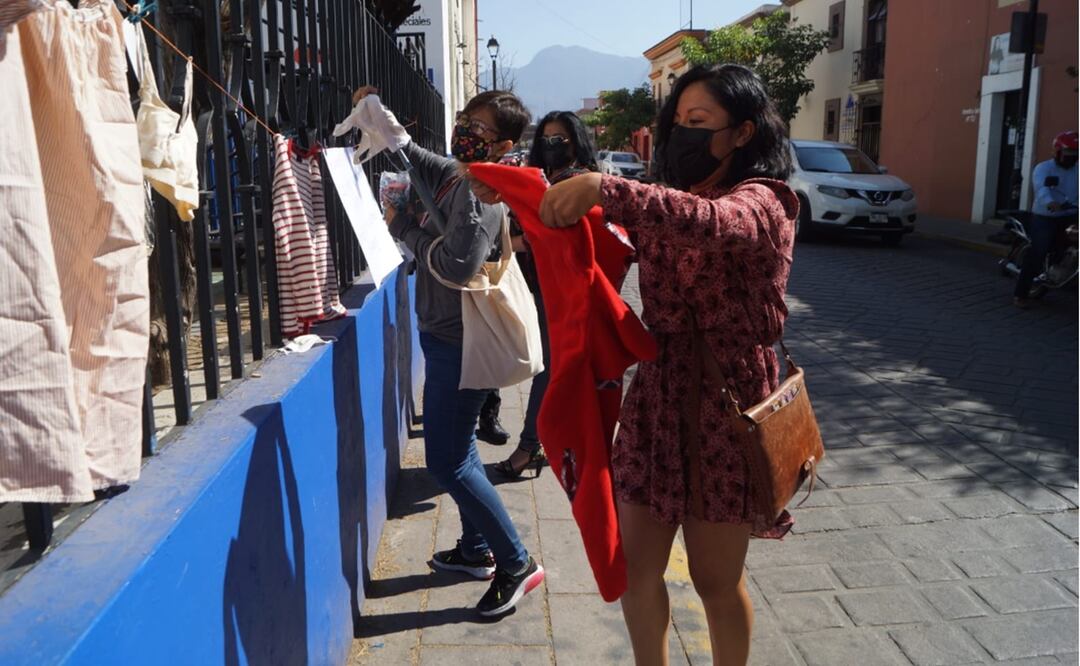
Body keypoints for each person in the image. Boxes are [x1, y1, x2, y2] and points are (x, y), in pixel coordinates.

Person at [537, 64, 798, 665]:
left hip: (728, 412)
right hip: (658, 397)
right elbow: (588, 236)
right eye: (676, 121)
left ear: (742, 132)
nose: (681, 133)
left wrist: (607, 188)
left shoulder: (767, 202)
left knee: (713, 580)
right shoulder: (668, 200)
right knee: (636, 569)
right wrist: (523, 197)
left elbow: (714, 224)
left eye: (698, 122)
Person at [352, 86, 544, 617]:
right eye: (463, 119)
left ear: (503, 145)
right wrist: (385, 119)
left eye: (477, 128)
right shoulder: (465, 172)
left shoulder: (483, 196)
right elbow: (420, 156)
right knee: (459, 452)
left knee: (448, 461)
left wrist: (403, 229)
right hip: (446, 336)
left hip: (461, 345)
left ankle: (516, 561)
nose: (464, 130)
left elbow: (459, 268)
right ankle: (476, 549)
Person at [491, 110, 600, 479]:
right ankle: (552, 438)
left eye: (561, 139)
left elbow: (551, 240)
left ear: (577, 142)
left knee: (546, 371)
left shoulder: (579, 181)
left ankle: (529, 447)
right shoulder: (541, 178)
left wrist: (509, 242)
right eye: (547, 138)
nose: (552, 145)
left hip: (561, 294)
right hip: (532, 289)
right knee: (542, 367)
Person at [1014, 130, 1078, 308]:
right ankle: (1021, 294)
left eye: (1076, 154)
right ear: (1057, 152)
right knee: (1039, 251)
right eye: (1068, 154)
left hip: (1071, 214)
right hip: (1046, 216)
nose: (1072, 157)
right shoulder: (1043, 168)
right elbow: (1042, 189)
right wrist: (1050, 202)